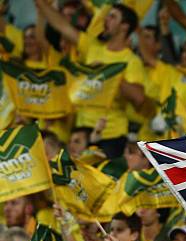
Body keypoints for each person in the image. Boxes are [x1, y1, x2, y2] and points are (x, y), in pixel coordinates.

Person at [35, 0, 147, 158]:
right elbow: (63, 26)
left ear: (124, 27)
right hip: (81, 133)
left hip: (110, 136)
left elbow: (139, 98)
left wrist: (110, 75)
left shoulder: (131, 61)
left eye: (112, 17)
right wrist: (41, 4)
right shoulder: (92, 47)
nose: (106, 20)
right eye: (107, 16)